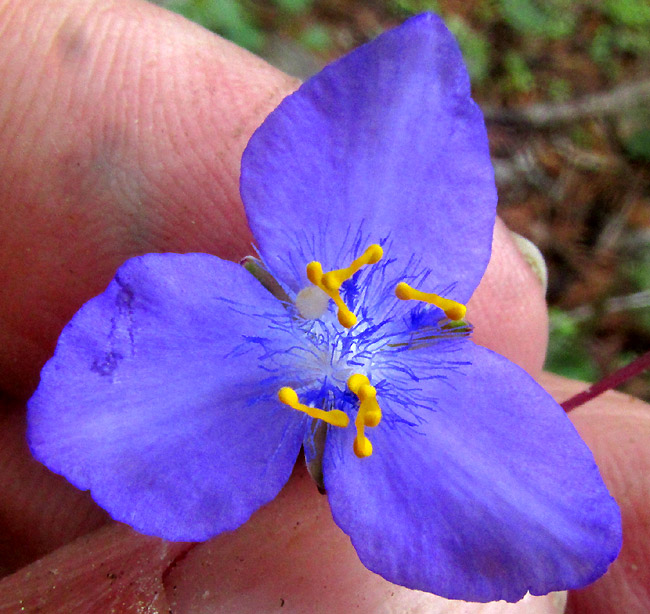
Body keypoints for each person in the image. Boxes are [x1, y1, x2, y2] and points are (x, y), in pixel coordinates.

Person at [0, 0, 647, 611]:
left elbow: (540, 517)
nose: (345, 339)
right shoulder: (187, 380)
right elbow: (94, 426)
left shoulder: (468, 451)